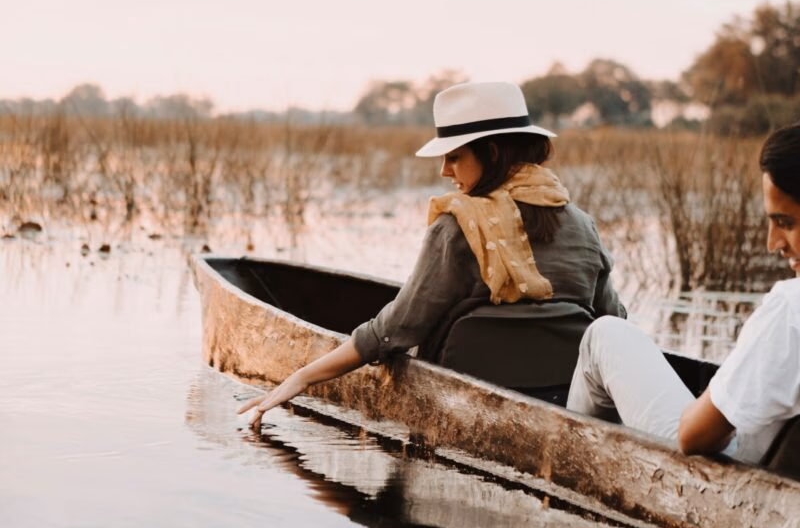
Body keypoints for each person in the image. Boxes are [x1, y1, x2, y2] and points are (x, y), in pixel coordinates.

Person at [240, 80, 626, 429]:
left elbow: (393, 330)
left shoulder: (458, 227)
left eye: (454, 157)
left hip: (465, 401)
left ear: (491, 152)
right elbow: (614, 323)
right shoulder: (582, 224)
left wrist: (300, 377)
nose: (444, 171)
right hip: (567, 399)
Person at [567, 121, 800, 464]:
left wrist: (720, 397)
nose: (772, 243)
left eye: (786, 223)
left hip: (734, 472)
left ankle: (570, 469)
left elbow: (693, 435)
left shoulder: (791, 305)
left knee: (604, 334)